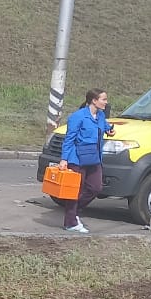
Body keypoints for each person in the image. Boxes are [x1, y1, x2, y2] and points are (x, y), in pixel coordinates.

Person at [57, 88, 114, 234]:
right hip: (77, 159)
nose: (106, 102)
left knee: (95, 188)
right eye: (104, 99)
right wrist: (64, 159)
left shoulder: (100, 116)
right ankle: (71, 222)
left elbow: (105, 126)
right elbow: (69, 139)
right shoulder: (78, 117)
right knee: (74, 191)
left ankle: (73, 212)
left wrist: (109, 130)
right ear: (94, 101)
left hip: (94, 158)